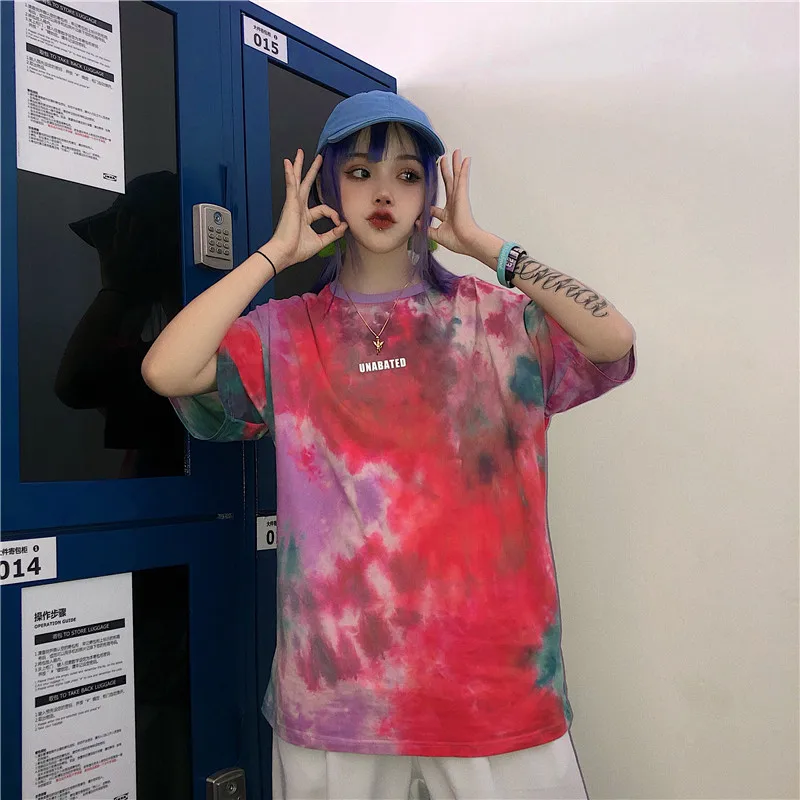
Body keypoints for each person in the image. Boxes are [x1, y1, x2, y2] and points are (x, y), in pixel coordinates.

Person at [142, 91, 637, 800]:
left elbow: (611, 338)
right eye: (360, 172)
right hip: (337, 696)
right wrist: (272, 255)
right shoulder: (287, 331)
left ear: (429, 193)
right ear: (329, 185)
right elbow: (167, 370)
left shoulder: (496, 321)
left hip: (493, 689)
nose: (384, 193)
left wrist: (490, 248)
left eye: (407, 175)